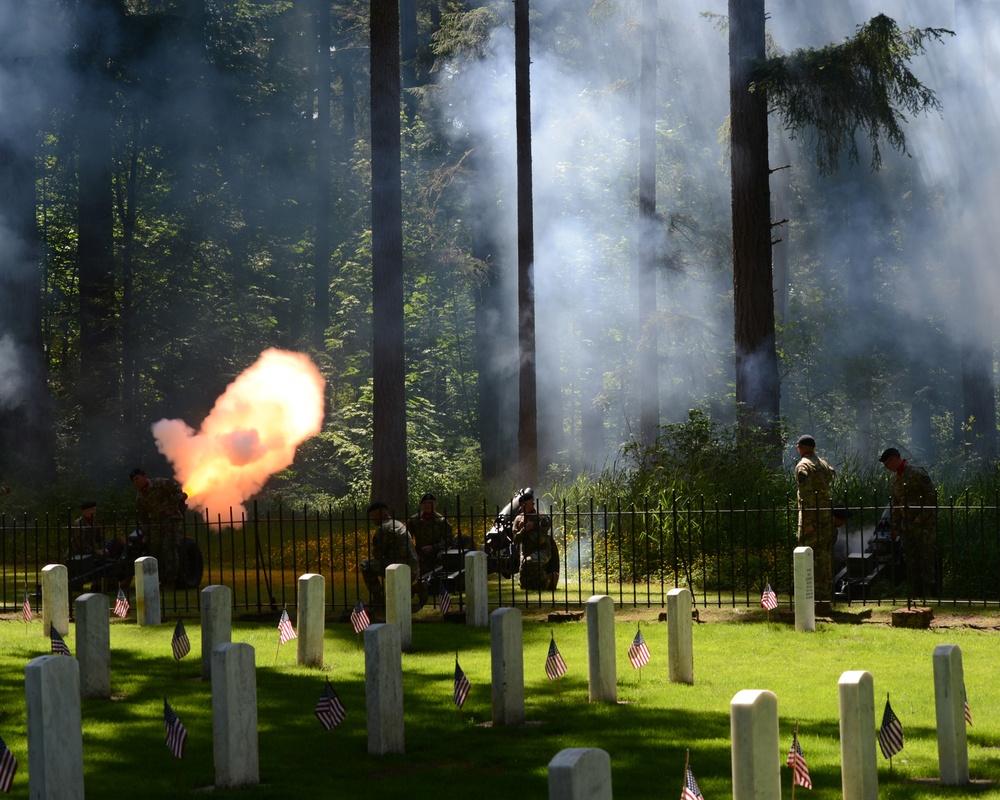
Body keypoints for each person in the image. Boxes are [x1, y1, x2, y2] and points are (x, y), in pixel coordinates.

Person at [879, 447, 938, 597]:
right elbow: (896, 505)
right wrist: (895, 526)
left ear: (893, 459)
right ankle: (916, 592)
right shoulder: (896, 479)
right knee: (911, 561)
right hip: (907, 527)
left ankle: (928, 593)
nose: (887, 468)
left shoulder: (917, 473)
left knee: (926, 559)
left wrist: (922, 517)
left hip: (923, 527)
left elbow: (931, 497)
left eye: (887, 464)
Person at [794, 435, 836, 603]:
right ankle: (825, 592)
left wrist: (807, 522)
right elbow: (831, 476)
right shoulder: (823, 464)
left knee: (807, 555)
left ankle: (811, 594)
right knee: (824, 554)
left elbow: (806, 495)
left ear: (799, 447)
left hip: (812, 518)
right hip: (826, 516)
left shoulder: (803, 466)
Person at [129, 467, 187, 587]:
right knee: (156, 552)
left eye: (137, 478)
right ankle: (161, 579)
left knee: (169, 549)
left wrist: (172, 506)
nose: (136, 482)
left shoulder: (159, 483)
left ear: (145, 477)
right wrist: (146, 533)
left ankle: (171, 581)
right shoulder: (140, 498)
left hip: (171, 521)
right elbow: (143, 518)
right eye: (133, 480)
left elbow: (177, 489)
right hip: (156, 525)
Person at [361, 501, 420, 606]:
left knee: (366, 565)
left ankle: (377, 598)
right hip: (412, 567)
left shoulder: (384, 528)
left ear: (380, 513)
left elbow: (378, 554)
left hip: (397, 566)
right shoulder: (398, 523)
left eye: (372, 515)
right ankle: (415, 588)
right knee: (396, 597)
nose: (372, 519)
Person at [511, 487, 558, 591]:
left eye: (533, 503)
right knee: (524, 585)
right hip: (526, 552)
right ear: (523, 505)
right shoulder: (518, 520)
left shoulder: (541, 518)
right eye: (530, 503)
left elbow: (540, 540)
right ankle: (540, 582)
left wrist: (532, 527)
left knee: (530, 562)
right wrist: (524, 529)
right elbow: (516, 540)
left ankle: (547, 583)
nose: (533, 505)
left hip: (542, 550)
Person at [406, 492, 453, 576]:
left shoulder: (441, 520)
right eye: (425, 503)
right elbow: (407, 539)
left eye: (430, 503)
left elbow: (449, 540)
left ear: (435, 504)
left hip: (437, 552)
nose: (427, 505)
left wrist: (433, 547)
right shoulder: (413, 520)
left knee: (442, 558)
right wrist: (414, 553)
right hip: (420, 553)